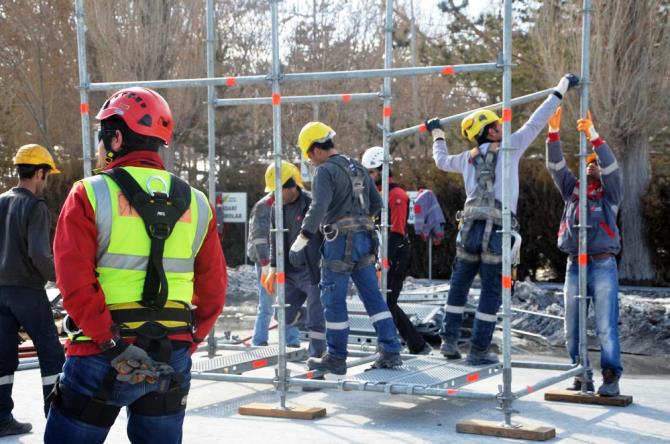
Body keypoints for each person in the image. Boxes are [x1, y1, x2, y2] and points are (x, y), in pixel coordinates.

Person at [44, 87, 227, 443]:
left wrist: (109, 342)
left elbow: (74, 282)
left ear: (115, 138)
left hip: (103, 350)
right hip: (170, 350)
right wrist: (189, 340)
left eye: (102, 137)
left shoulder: (90, 193)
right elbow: (214, 288)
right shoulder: (198, 202)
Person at [424, 73, 579, 365]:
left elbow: (440, 161)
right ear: (490, 132)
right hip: (497, 230)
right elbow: (537, 120)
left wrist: (437, 134)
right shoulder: (510, 147)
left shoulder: (466, 158)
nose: (501, 127)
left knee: (459, 286)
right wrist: (560, 90)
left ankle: (449, 343)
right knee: (491, 291)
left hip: (469, 230)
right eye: (497, 125)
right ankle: (479, 350)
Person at [293, 122, 402, 375]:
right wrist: (360, 221)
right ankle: (390, 351)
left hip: (339, 241)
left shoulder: (325, 171)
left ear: (316, 149)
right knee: (373, 297)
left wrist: (304, 238)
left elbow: (318, 207)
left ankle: (336, 357)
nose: (311, 161)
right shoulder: (358, 168)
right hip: (365, 240)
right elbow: (377, 204)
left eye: (309, 155)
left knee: (333, 299)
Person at [545, 108, 623, 396]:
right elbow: (555, 166)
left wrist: (593, 136)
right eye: (588, 163)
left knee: (605, 326)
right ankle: (581, 374)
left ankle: (611, 377)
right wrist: (553, 135)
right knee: (572, 327)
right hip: (574, 265)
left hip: (603, 265)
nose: (592, 167)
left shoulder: (612, 192)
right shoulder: (572, 190)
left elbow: (611, 166)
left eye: (596, 164)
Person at [0, 144, 65, 437]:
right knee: (51, 353)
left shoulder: (1, 201)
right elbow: (39, 254)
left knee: (2, 355)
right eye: (47, 175)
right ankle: (57, 420)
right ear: (40, 173)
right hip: (27, 291)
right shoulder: (35, 206)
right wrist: (63, 278)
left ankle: (1, 417)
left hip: (0, 292)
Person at [361, 146, 431, 355]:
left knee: (387, 301)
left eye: (371, 172)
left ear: (382, 170)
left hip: (396, 253)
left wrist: (383, 261)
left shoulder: (396, 195)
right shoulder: (376, 194)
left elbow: (397, 232)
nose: (369, 177)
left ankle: (390, 345)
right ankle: (416, 344)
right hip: (384, 253)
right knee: (386, 301)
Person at [261, 161, 326, 361]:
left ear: (291, 185)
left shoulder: (311, 204)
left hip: (311, 271)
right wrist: (272, 267)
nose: (274, 195)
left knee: (316, 320)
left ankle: (316, 357)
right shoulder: (276, 209)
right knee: (282, 315)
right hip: (289, 272)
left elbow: (325, 236)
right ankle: (309, 315)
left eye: (277, 190)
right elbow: (274, 238)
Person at [247, 166, 302, 348]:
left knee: (288, 302)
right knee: (267, 303)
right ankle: (259, 341)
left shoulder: (290, 204)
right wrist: (265, 265)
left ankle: (292, 341)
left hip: (284, 260)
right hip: (266, 261)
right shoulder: (265, 206)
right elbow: (259, 237)